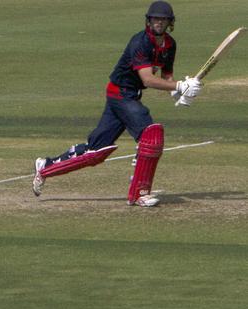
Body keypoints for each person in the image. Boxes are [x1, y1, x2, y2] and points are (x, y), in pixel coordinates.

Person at [32, 1, 202, 207]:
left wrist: (178, 92)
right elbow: (148, 79)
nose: (159, 22)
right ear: (149, 20)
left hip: (127, 96)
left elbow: (166, 77)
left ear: (170, 22)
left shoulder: (170, 45)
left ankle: (45, 167)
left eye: (163, 19)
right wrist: (180, 85)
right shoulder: (140, 42)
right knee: (151, 135)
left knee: (95, 152)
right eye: (155, 18)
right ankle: (140, 193)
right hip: (121, 94)